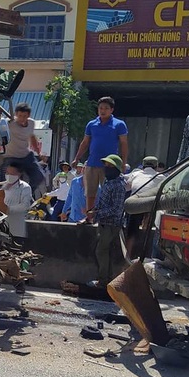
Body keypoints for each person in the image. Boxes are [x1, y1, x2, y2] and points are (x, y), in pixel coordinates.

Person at [72, 96, 128, 212]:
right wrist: (77, 158)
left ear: (111, 110)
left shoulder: (119, 124)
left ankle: (104, 217)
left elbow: (124, 144)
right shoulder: (91, 124)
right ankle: (89, 217)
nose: (103, 110)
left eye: (106, 108)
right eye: (101, 108)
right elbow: (85, 142)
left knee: (108, 192)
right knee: (90, 193)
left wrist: (123, 162)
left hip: (109, 166)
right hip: (92, 163)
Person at [85, 154, 127, 288]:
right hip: (104, 223)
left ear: (117, 169)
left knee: (102, 251)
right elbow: (103, 202)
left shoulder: (119, 185)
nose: (106, 168)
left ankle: (103, 281)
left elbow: (116, 209)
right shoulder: (109, 182)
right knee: (102, 251)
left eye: (110, 166)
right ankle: (105, 279)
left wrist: (97, 213)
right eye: (106, 166)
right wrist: (93, 212)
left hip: (111, 224)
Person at [0, 102, 43, 192]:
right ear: (16, 114)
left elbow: (32, 137)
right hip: (11, 157)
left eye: (24, 116)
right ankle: (3, 197)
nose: (22, 119)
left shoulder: (31, 123)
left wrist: (38, 152)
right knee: (3, 181)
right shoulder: (9, 123)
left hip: (26, 156)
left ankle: (27, 193)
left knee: (39, 176)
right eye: (20, 116)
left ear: (28, 115)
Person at [1, 161, 34, 244]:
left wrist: (8, 209)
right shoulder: (2, 186)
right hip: (3, 225)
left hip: (17, 225)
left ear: (18, 175)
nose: (8, 175)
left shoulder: (25, 187)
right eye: (7, 173)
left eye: (11, 173)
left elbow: (25, 206)